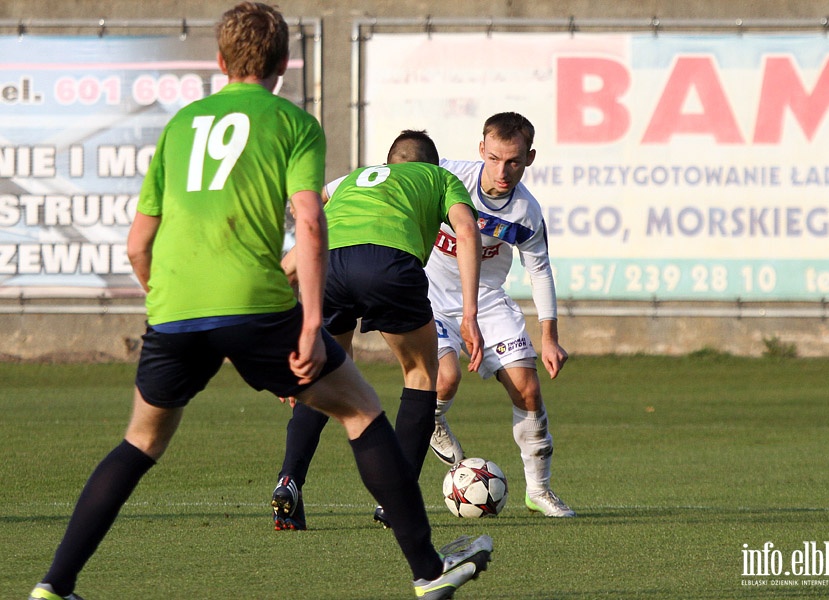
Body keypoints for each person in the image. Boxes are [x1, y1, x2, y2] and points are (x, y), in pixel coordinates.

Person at [27, 5, 491, 600]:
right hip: (257, 306)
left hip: (175, 311)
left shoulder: (180, 125)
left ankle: (53, 584)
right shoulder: (294, 126)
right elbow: (310, 223)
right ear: (281, 65)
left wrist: (168, 306)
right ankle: (427, 573)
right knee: (361, 411)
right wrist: (311, 326)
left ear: (219, 61)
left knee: (140, 441)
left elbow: (138, 242)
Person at [272, 130, 484, 531]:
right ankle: (395, 502)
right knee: (422, 375)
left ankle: (289, 480)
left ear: (388, 164)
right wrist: (469, 314)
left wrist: (284, 344)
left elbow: (306, 241)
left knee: (323, 375)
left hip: (329, 265)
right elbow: (467, 231)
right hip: (388, 264)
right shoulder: (440, 179)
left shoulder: (354, 180)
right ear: (431, 165)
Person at [426, 111, 576, 518]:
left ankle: (539, 491)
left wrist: (549, 336)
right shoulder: (447, 176)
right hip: (430, 296)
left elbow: (539, 269)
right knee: (446, 378)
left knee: (528, 389)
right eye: (493, 158)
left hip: (487, 299)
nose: (502, 170)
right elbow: (384, 179)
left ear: (529, 157)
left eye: (513, 161)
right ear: (481, 150)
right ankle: (432, 420)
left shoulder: (526, 211)